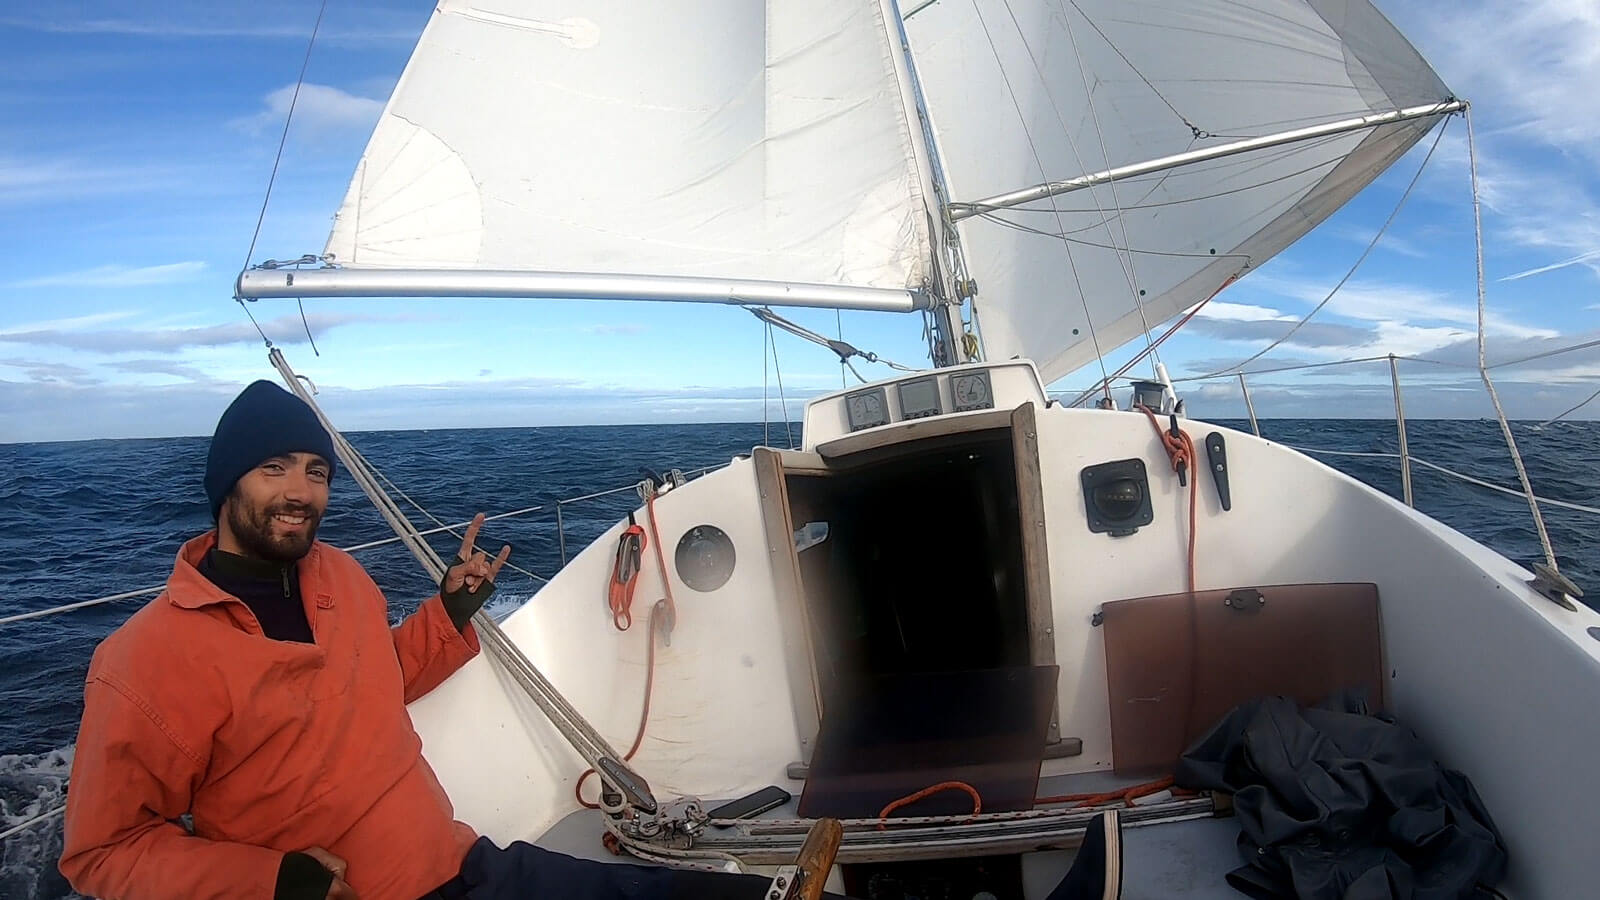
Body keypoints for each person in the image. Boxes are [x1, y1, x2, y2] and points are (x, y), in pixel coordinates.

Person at [60, 380, 1120, 900]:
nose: (300, 493)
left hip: (459, 868)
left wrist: (452, 619)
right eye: (274, 470)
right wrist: (271, 882)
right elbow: (102, 853)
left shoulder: (333, 577)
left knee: (679, 895)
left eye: (315, 471)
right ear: (222, 485)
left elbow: (374, 682)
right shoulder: (147, 660)